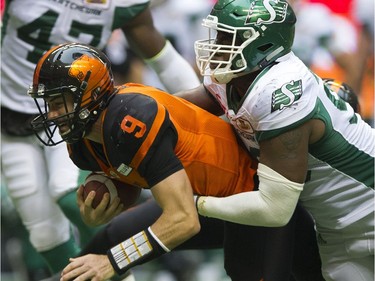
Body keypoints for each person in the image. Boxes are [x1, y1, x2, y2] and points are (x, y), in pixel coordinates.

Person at [28, 42, 323, 281]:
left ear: (87, 96)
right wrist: (105, 206)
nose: (52, 115)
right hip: (198, 197)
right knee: (113, 235)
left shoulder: (129, 121)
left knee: (289, 271)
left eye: (58, 103)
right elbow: (130, 176)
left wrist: (112, 262)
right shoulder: (84, 139)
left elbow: (183, 221)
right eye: (48, 104)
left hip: (250, 197)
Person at [171, 1, 374, 280]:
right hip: (336, 231)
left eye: (227, 37)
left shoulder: (281, 90)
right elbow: (177, 109)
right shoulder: (238, 75)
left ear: (263, 45)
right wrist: (131, 102)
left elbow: (274, 208)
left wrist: (191, 203)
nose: (217, 45)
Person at [1, 0, 200, 278]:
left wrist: (204, 111)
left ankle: (119, 272)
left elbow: (162, 57)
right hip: (9, 116)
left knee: (73, 193)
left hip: (72, 116)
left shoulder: (124, 4)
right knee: (44, 231)